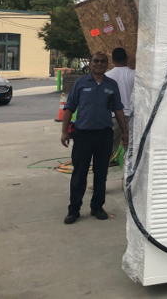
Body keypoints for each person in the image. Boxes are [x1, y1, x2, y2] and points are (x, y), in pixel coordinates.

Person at [61, 52, 129, 224]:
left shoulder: (111, 85)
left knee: (101, 174)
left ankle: (97, 207)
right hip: (83, 135)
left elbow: (118, 109)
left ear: (107, 65)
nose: (99, 64)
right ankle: (74, 209)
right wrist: (64, 131)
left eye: (102, 62)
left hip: (104, 134)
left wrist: (125, 131)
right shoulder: (80, 83)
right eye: (96, 61)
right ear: (90, 64)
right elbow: (69, 107)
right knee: (79, 174)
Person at [105, 47, 135, 159]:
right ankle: (129, 173)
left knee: (107, 149)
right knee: (131, 149)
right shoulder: (134, 74)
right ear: (127, 58)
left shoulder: (106, 76)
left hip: (114, 118)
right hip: (132, 117)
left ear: (112, 60)